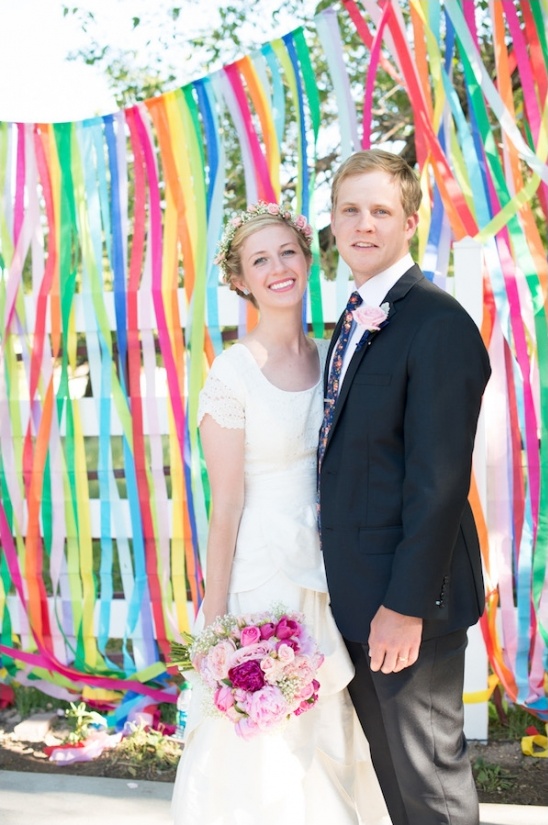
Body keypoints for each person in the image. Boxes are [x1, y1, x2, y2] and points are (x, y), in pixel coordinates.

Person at [171, 201, 391, 825]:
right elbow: (226, 507)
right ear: (240, 280)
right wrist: (215, 622)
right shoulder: (234, 374)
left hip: (328, 571)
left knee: (328, 729)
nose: (277, 269)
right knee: (263, 736)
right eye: (259, 260)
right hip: (262, 579)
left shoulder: (329, 357)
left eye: (287, 252)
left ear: (307, 256)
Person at [317, 148, 491, 825]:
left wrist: (405, 605)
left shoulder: (437, 322)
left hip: (408, 603)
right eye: (350, 210)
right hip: (356, 596)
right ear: (332, 223)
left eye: (380, 210)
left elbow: (438, 482)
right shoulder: (355, 317)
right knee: (398, 791)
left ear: (409, 221)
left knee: (432, 792)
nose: (364, 224)